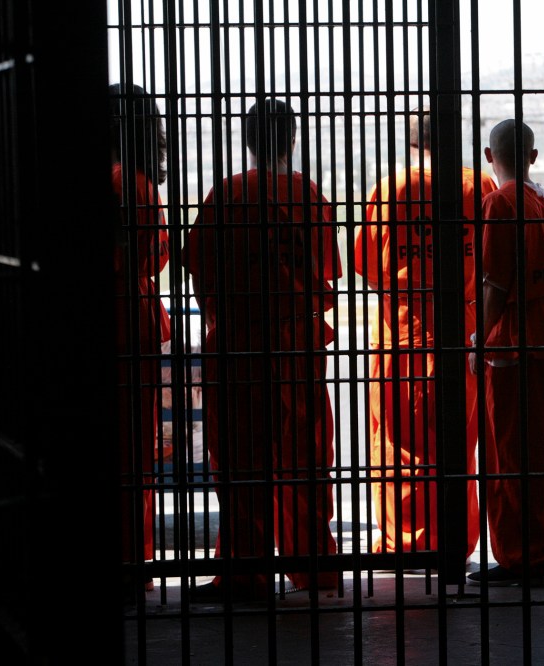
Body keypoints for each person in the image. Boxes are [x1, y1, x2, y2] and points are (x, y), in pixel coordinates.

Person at [186, 98, 341, 600]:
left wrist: (217, 315)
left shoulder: (226, 195)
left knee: (240, 461)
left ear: (248, 141)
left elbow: (200, 272)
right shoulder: (311, 196)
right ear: (292, 140)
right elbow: (327, 271)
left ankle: (245, 572)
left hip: (239, 341)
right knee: (305, 457)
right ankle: (314, 565)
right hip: (298, 341)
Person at [354, 109, 497, 562]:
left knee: (397, 441)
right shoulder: (479, 186)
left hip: (402, 328)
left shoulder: (390, 189)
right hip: (463, 327)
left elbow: (368, 266)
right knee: (459, 439)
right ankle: (454, 536)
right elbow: (495, 258)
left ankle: (403, 542)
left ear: (412, 142)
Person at [466, 119, 544, 588]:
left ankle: (522, 557)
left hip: (514, 337)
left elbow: (495, 282)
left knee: (510, 455)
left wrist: (479, 337)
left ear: (488, 157)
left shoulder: (499, 203)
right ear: (533, 157)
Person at [110, 83, 171, 597]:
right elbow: (156, 254)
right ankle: (132, 558)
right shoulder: (139, 184)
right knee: (134, 452)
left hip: (115, 314)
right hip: (136, 318)